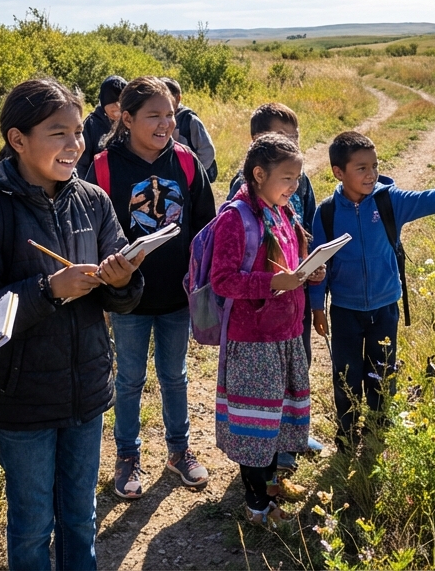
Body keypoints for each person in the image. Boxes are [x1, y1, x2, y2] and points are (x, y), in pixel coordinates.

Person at [0, 79, 144, 571]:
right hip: (21, 400)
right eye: (58, 134)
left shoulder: (93, 201)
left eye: (78, 133)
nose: (74, 145)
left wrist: (122, 282)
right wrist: (47, 290)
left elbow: (122, 298)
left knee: (81, 517)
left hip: (87, 388)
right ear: (18, 140)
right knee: (33, 525)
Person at [308, 131, 435, 449]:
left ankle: (378, 427)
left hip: (385, 306)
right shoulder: (327, 213)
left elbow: (430, 199)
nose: (371, 174)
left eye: (374, 165)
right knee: (346, 373)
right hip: (345, 309)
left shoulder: (390, 202)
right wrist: (317, 307)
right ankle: (347, 433)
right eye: (361, 168)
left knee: (382, 371)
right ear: (338, 172)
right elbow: (319, 266)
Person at [85, 77, 215, 500]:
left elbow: (205, 225)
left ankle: (179, 452)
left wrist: (203, 284)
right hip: (129, 299)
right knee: (130, 379)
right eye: (153, 115)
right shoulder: (104, 166)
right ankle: (127, 456)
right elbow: (91, 229)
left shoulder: (187, 161)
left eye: (170, 115)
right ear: (126, 118)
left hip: (177, 295)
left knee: (175, 376)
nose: (165, 123)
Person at [209, 134, 324, 525]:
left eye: (298, 179)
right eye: (288, 178)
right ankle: (257, 505)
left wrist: (310, 272)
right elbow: (223, 280)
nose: (295, 187)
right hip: (254, 339)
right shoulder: (235, 217)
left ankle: (272, 484)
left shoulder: (284, 212)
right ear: (259, 174)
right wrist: (274, 284)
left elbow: (290, 264)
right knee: (256, 425)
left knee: (277, 418)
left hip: (286, 334)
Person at [226, 103, 323, 471]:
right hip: (262, 308)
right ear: (257, 146)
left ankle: (293, 432)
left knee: (299, 363)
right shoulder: (243, 193)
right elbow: (236, 262)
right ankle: (271, 447)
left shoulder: (302, 181)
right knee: (269, 379)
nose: (292, 146)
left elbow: (307, 228)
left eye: (295, 139)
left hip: (294, 298)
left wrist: (311, 266)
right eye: (283, 138)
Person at [161, 77, 218, 183]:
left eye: (167, 98)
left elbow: (207, 151)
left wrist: (195, 176)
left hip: (190, 180)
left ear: (178, 98)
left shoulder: (189, 120)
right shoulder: (158, 120)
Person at [77, 74, 127, 177]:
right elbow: (81, 163)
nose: (117, 111)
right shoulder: (91, 124)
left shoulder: (130, 122)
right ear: (104, 103)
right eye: (113, 108)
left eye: (120, 106)